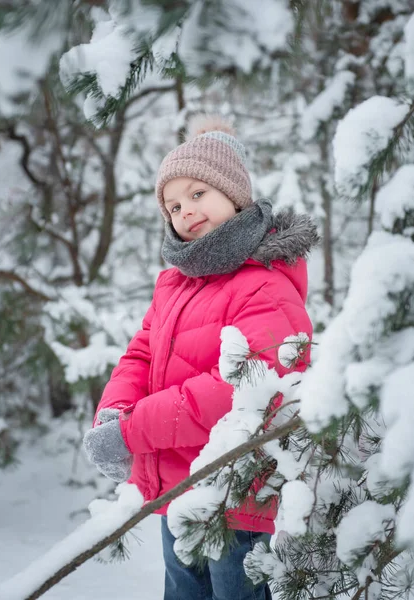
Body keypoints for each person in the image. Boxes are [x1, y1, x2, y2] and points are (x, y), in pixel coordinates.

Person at [83, 115, 319, 600]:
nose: (184, 211)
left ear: (233, 194)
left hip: (239, 497)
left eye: (197, 194)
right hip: (179, 491)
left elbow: (241, 391)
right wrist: (114, 410)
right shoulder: (176, 285)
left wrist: (132, 431)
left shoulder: (266, 283)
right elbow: (141, 353)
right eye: (172, 204)